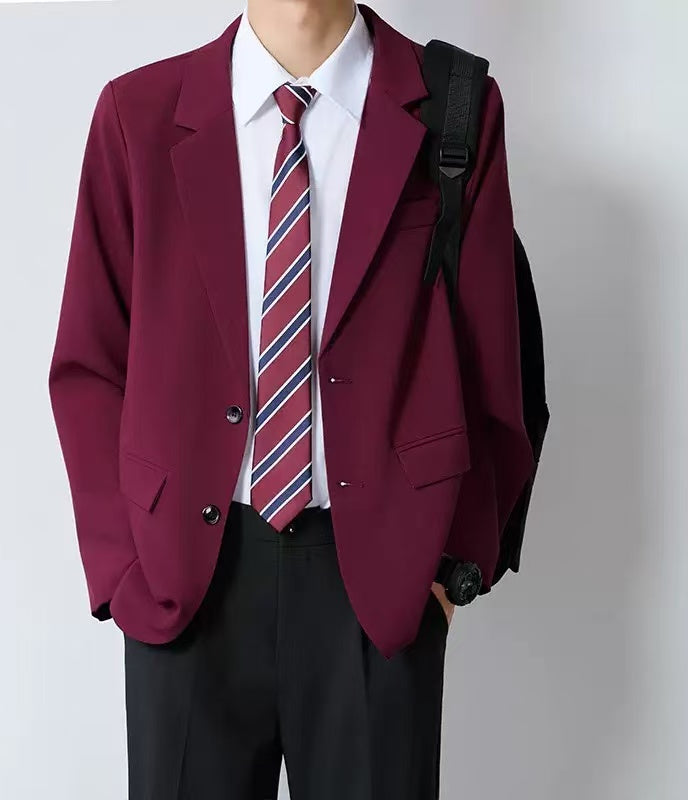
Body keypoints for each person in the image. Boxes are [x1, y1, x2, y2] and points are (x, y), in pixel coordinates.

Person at [49, 1, 534, 797]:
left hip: (380, 585)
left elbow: (493, 364)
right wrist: (123, 570)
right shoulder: (137, 114)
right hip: (186, 581)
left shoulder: (456, 106)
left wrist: (453, 567)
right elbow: (88, 363)